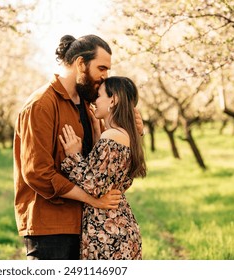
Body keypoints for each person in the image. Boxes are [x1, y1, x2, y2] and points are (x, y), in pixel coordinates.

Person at [13, 34, 144, 260]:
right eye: (101, 68)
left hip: (86, 227)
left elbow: (103, 167)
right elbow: (37, 172)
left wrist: (133, 131)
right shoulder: (41, 105)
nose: (105, 77)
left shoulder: (88, 105)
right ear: (81, 63)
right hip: (52, 228)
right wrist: (91, 199)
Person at [59, 76, 147, 260]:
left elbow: (95, 185)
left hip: (108, 231)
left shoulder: (112, 137)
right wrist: (98, 132)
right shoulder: (126, 135)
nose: (94, 101)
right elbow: (108, 175)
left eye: (99, 96)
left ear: (113, 100)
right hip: (119, 225)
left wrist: (74, 155)